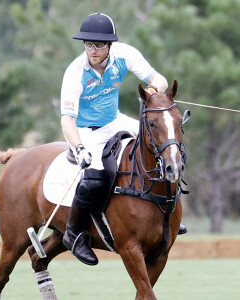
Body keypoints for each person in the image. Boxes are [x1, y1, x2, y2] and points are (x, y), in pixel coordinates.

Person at [60, 13, 186, 266]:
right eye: (88, 44)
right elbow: (67, 121)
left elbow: (158, 80)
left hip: (114, 120)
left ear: (110, 45)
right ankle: (74, 234)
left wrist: (153, 90)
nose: (92, 50)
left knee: (165, 144)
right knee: (96, 176)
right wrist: (80, 147)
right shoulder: (75, 72)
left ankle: (167, 212)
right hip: (86, 130)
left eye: (98, 45)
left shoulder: (125, 55)